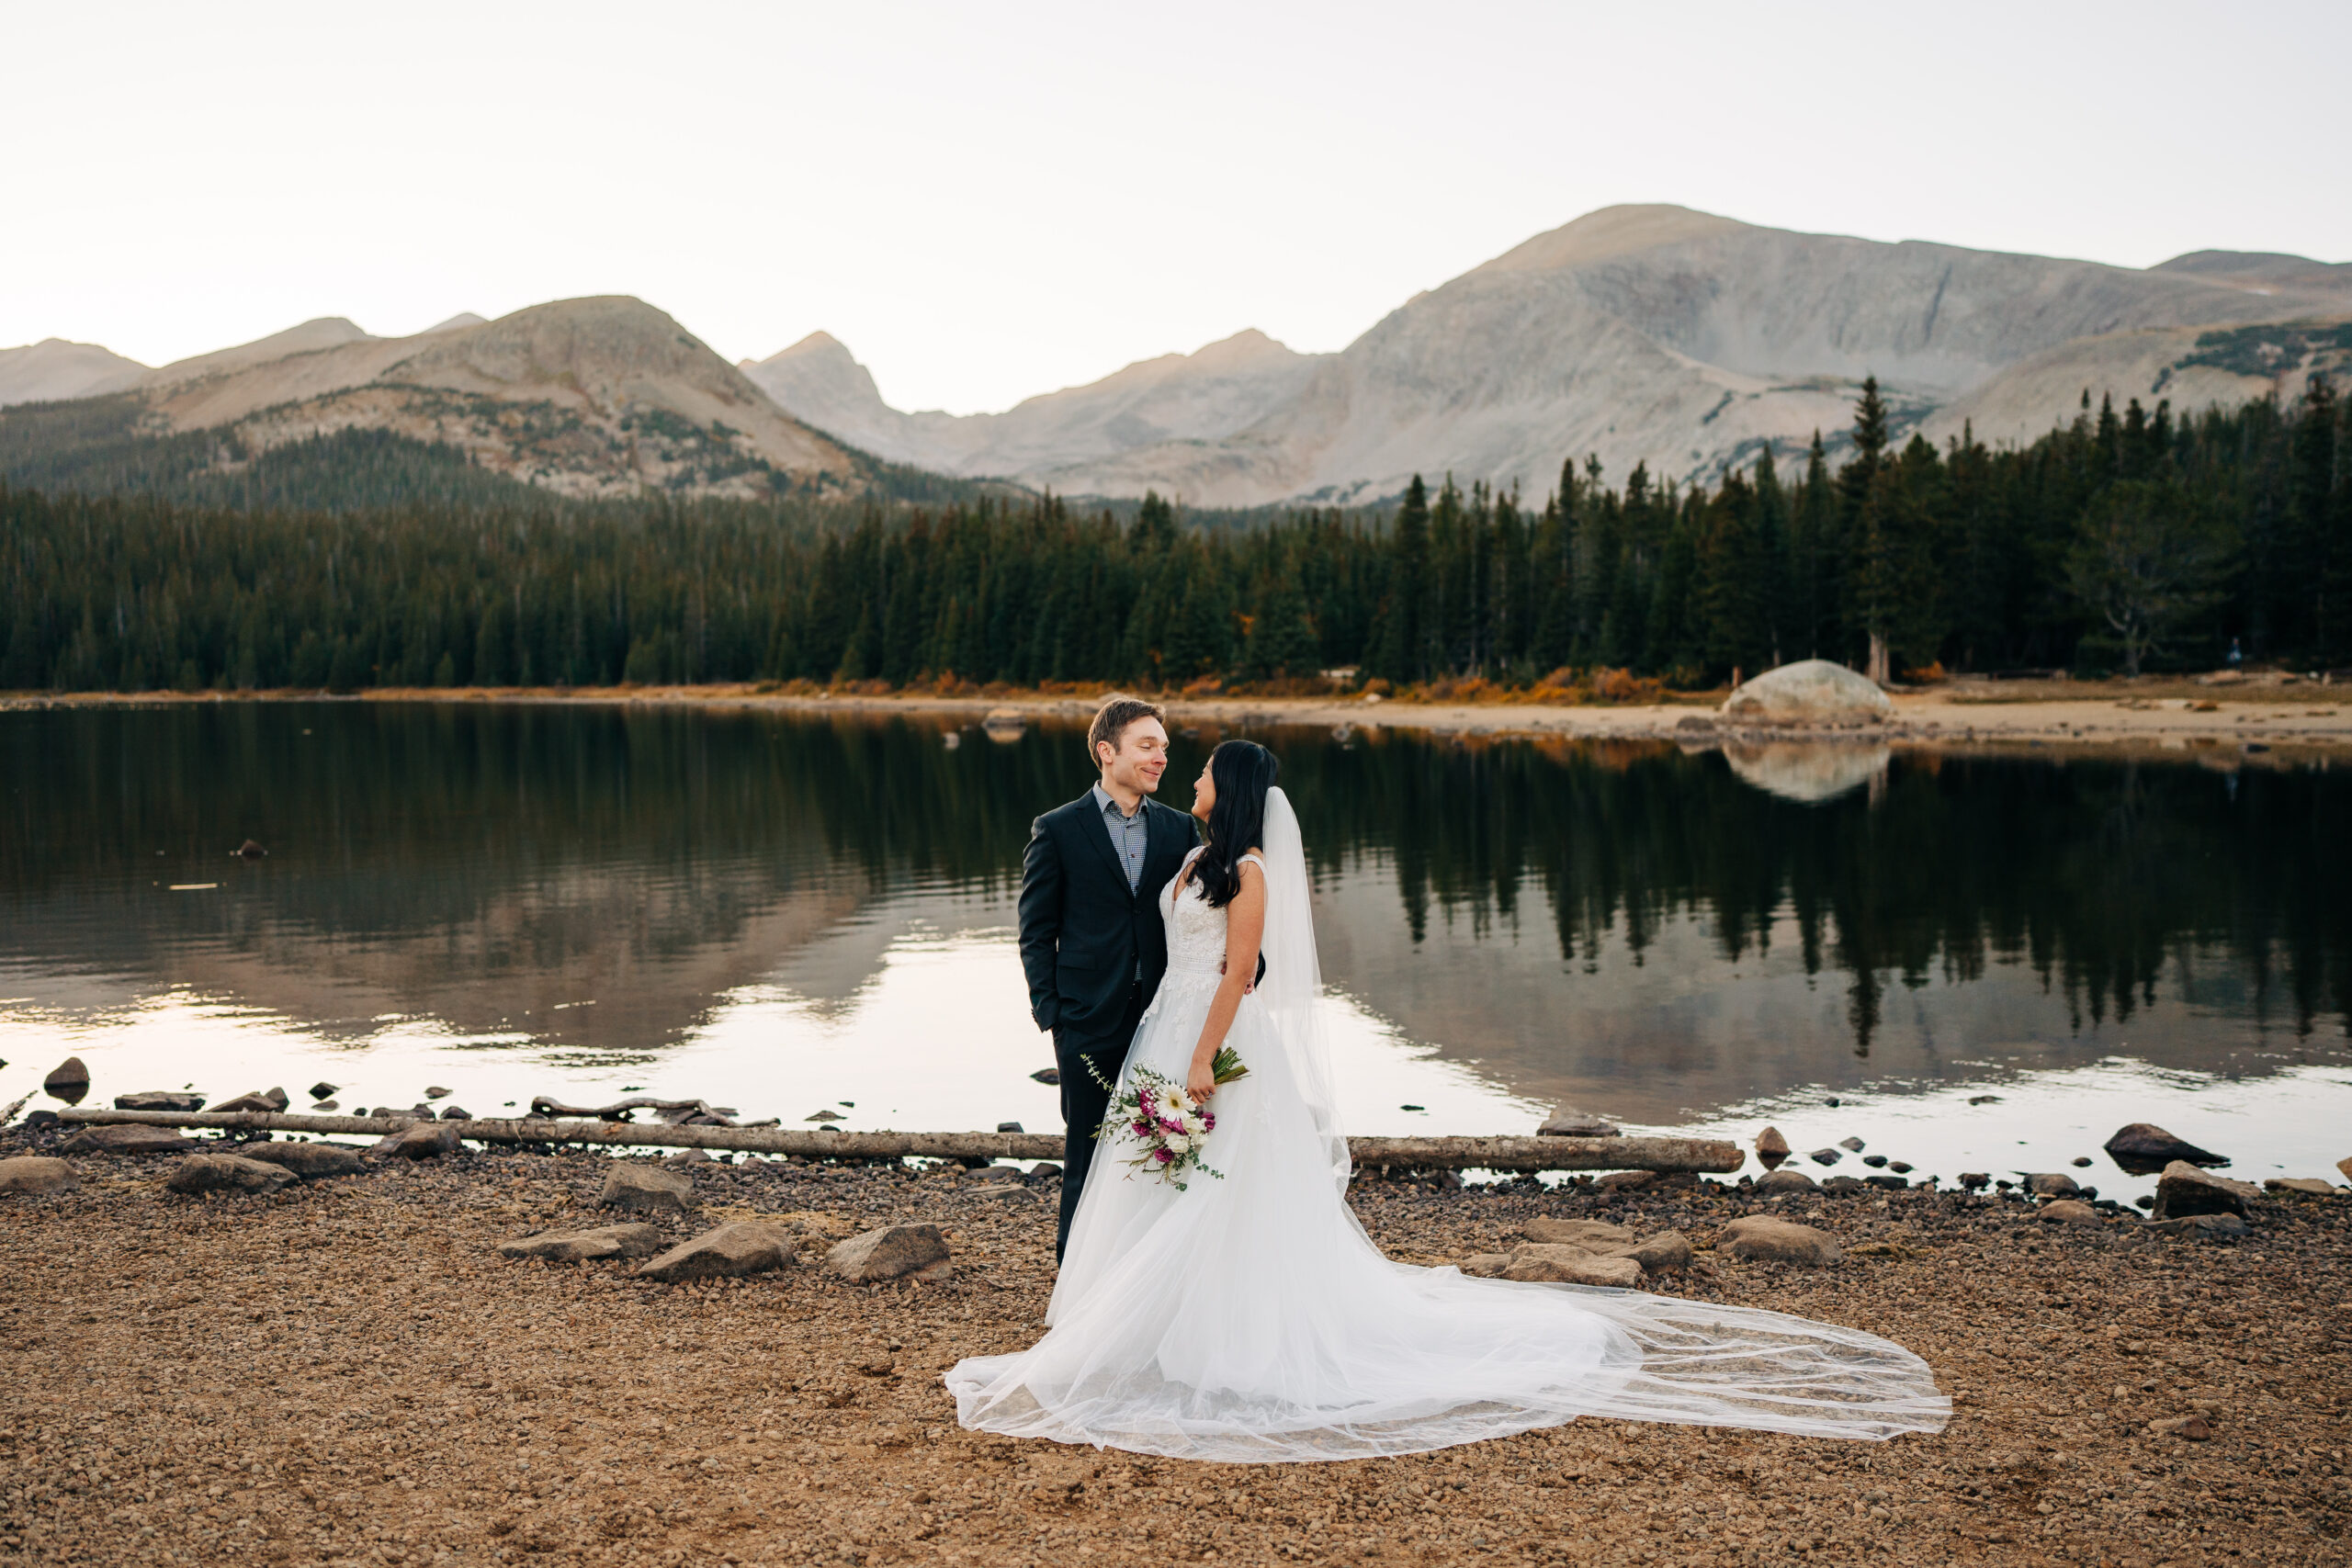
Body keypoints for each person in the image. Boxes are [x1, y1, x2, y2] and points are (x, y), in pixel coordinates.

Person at [952, 739, 1950, 1463]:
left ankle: (1215, 1330)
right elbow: (1117, 926)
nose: (1186, 775)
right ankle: (1131, 1317)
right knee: (1158, 1176)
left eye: (1199, 765)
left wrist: (1205, 1059)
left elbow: (1240, 972)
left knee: (1219, 1185)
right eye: (1169, 756)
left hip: (1206, 1043)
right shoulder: (1189, 850)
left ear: (1233, 788)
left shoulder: (1246, 871)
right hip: (1155, 1032)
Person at [1016, 694, 1198, 1262]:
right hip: (1086, 1018)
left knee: (1160, 1148)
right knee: (1088, 1150)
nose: (1160, 758)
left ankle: (1145, 1276)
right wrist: (1053, 1014)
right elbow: (1035, 930)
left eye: (1163, 748)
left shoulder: (1179, 828)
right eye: (1146, 746)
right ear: (1105, 751)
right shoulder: (1058, 830)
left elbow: (1203, 910)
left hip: (1163, 1018)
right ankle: (1074, 1277)